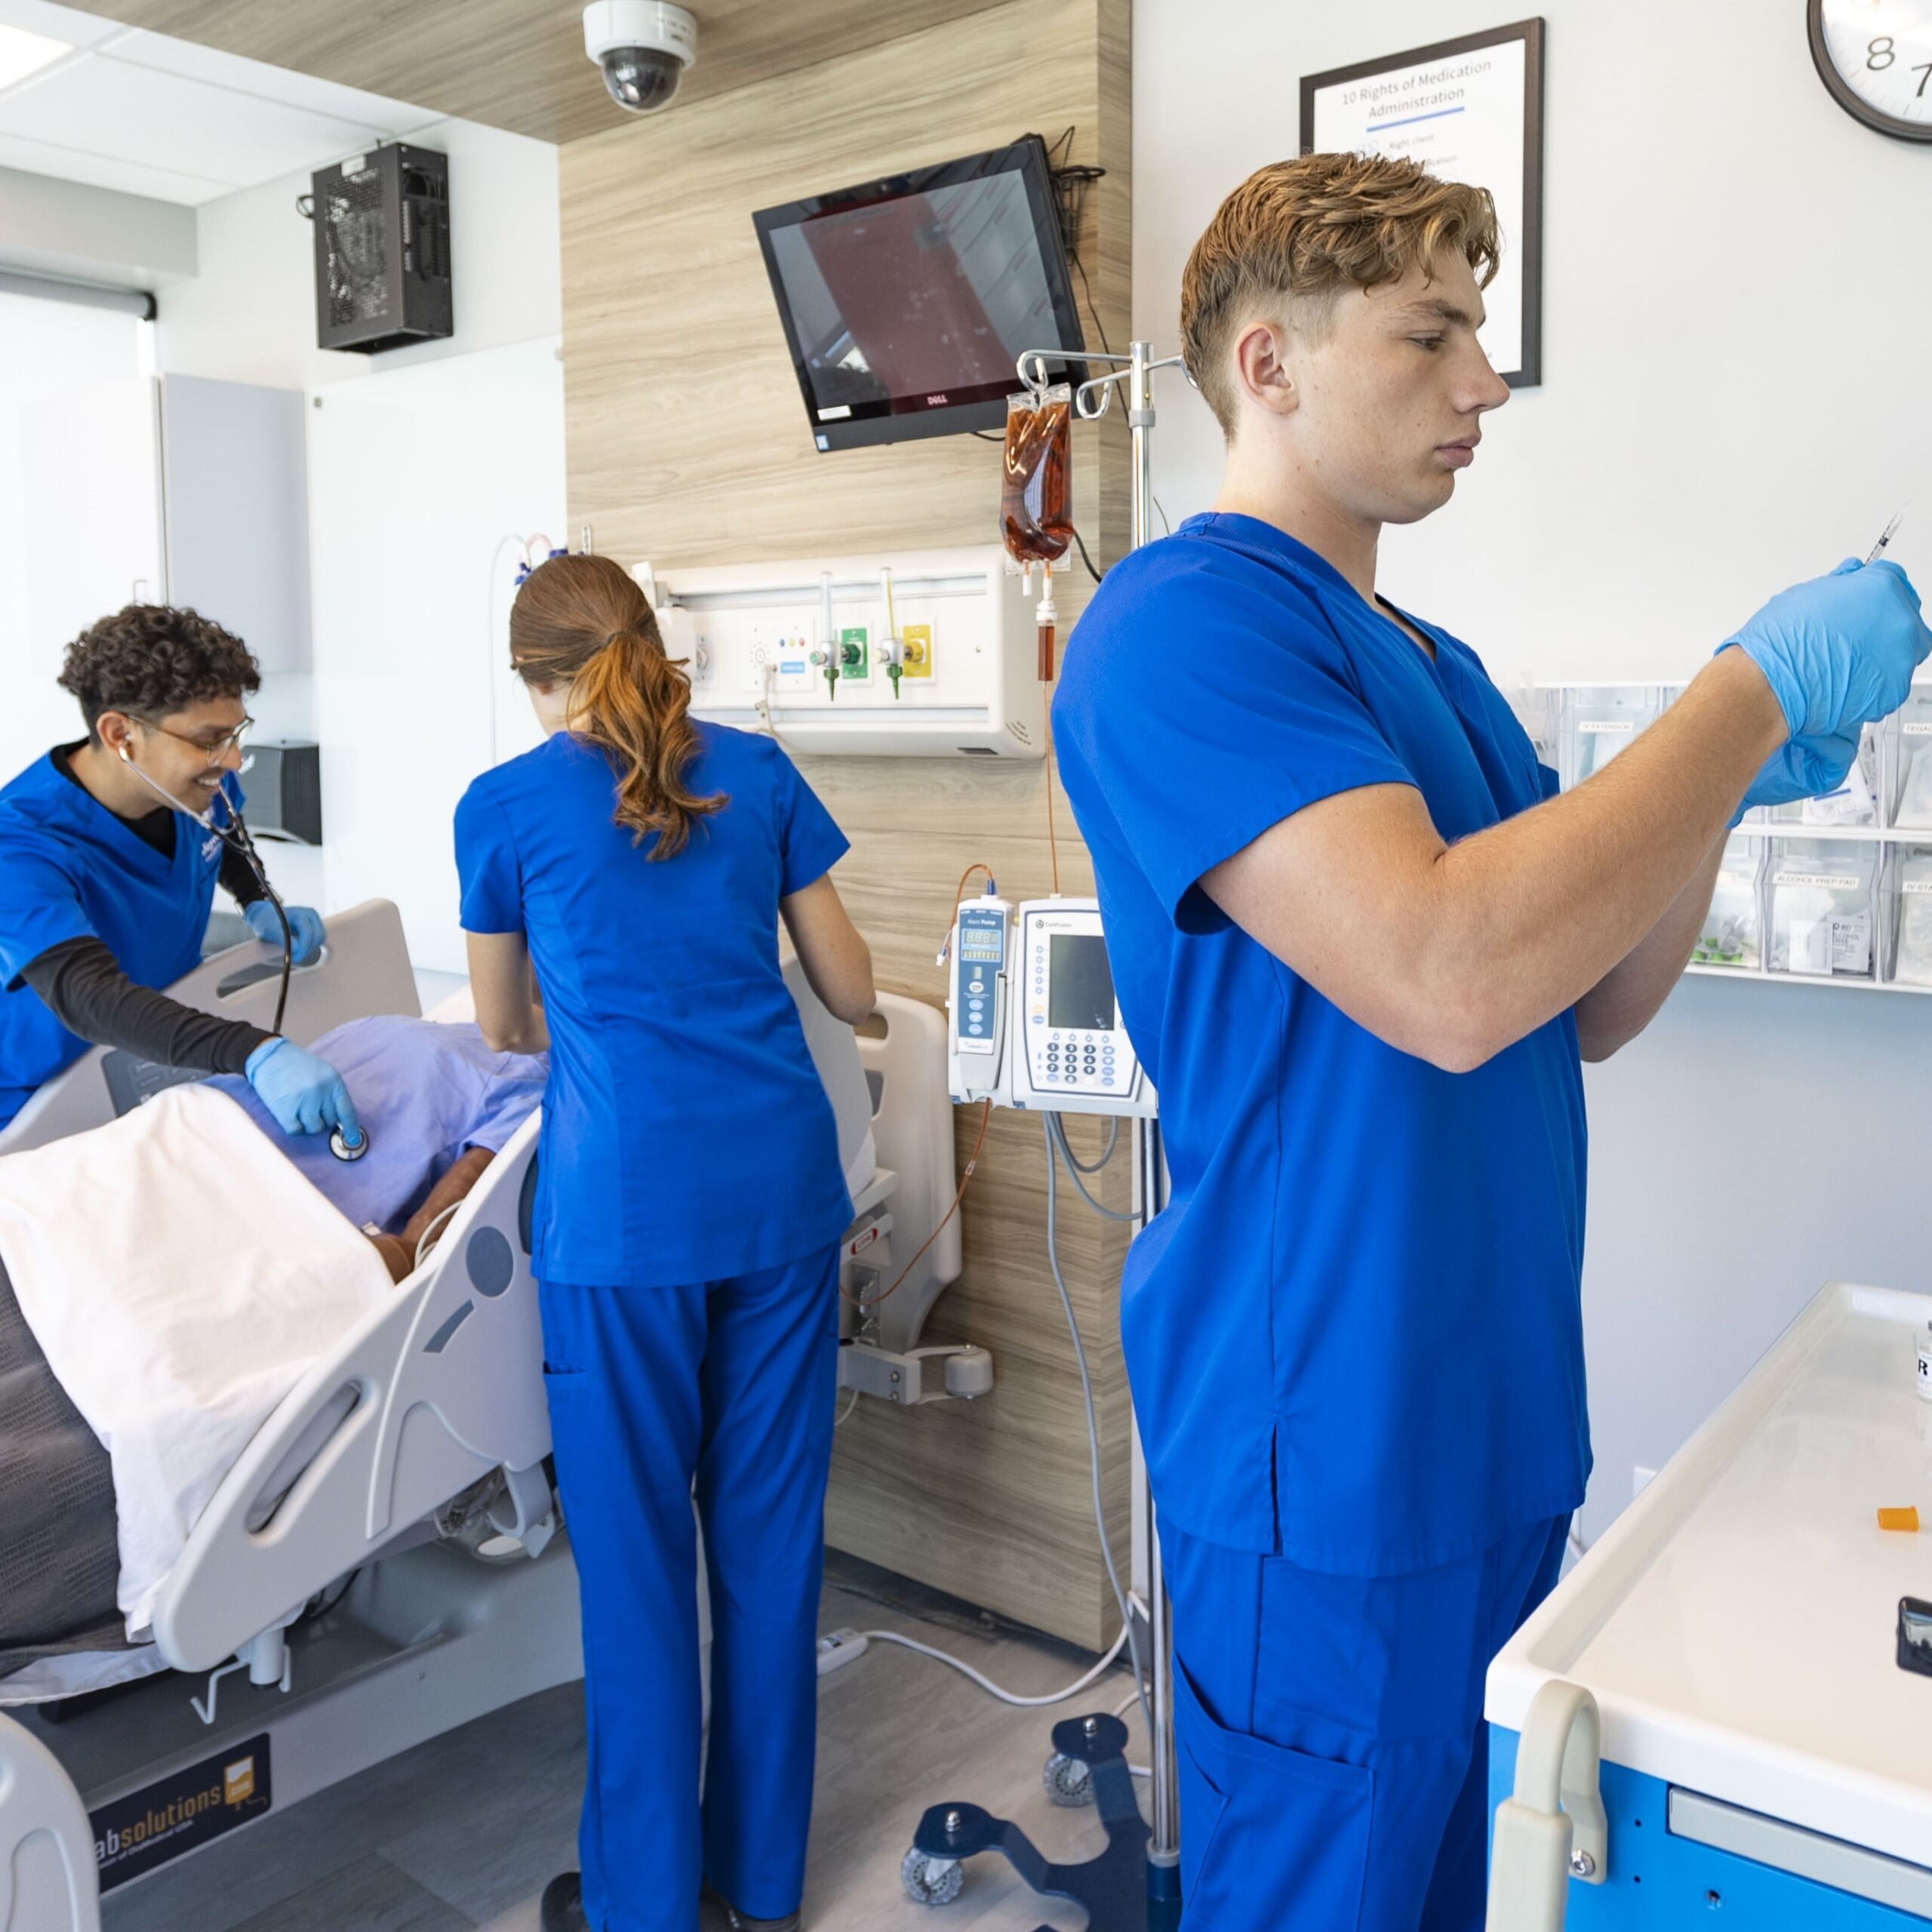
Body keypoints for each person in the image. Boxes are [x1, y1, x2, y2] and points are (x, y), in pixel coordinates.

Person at [1049, 152, 1931, 1932]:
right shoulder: (1177, 624)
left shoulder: (1432, 662)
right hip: (1323, 1448)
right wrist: (1742, 688)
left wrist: (1720, 797)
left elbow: (1585, 998)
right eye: (1431, 331)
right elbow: (1444, 972)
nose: (1485, 382)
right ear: (1266, 365)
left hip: (1493, 1422)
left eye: (1482, 333)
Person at [454, 552, 875, 1932]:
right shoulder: (759, 775)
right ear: (651, 641)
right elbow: (852, 986)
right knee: (768, 1550)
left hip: (623, 1214)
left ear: (534, 684)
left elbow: (507, 1030)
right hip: (781, 1201)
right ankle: (760, 1885)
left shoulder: (503, 808)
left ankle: (643, 1904)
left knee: (638, 1571)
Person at [0, 605, 355, 1143]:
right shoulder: (20, 845)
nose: (233, 759)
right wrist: (253, 1051)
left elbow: (224, 839)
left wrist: (256, 897)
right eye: (210, 739)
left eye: (236, 733)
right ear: (121, 733)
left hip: (153, 1051)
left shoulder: (195, 787)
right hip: (33, 1101)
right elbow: (85, 994)